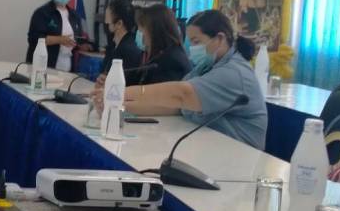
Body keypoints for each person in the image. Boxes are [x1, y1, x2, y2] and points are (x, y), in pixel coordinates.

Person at [96, 9, 267, 149]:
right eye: (190, 42)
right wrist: (119, 107)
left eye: (196, 41)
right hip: (212, 148)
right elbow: (175, 106)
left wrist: (118, 92)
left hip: (239, 156)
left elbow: (181, 95)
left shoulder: (234, 72)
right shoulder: (206, 67)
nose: (192, 48)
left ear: (220, 39)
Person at [26, 0, 89, 73]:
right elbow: (34, 39)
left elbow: (77, 39)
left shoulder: (75, 16)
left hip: (67, 69)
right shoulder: (42, 13)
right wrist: (60, 39)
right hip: (43, 68)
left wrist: (82, 45)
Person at [133, 4, 192, 84]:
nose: (139, 32)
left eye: (142, 28)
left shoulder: (171, 62)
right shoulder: (160, 54)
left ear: (155, 30)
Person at [101, 0, 143, 78]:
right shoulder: (114, 46)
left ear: (119, 24)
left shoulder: (127, 51)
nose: (105, 24)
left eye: (107, 22)